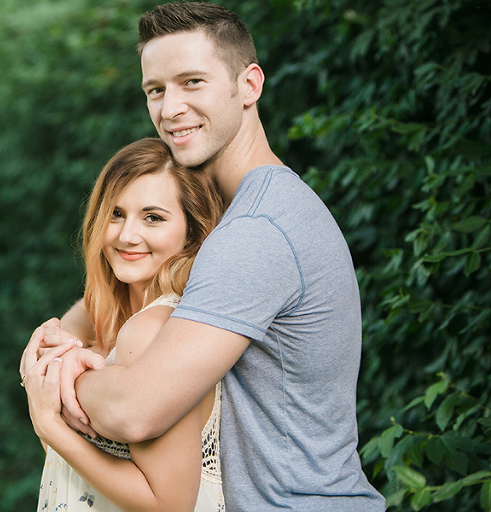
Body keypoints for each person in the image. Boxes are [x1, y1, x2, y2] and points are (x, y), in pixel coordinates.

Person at [25, 3, 386, 511]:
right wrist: (60, 345)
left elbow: (136, 411)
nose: (170, 108)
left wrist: (57, 383)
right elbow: (109, 305)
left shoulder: (256, 234)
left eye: (192, 82)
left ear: (249, 86)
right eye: (156, 89)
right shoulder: (236, 219)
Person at [22, 137, 225, 511]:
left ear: (192, 231)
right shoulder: (107, 318)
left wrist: (49, 424)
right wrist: (59, 345)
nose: (127, 235)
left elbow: (170, 503)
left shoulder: (155, 330)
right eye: (116, 213)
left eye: (153, 217)